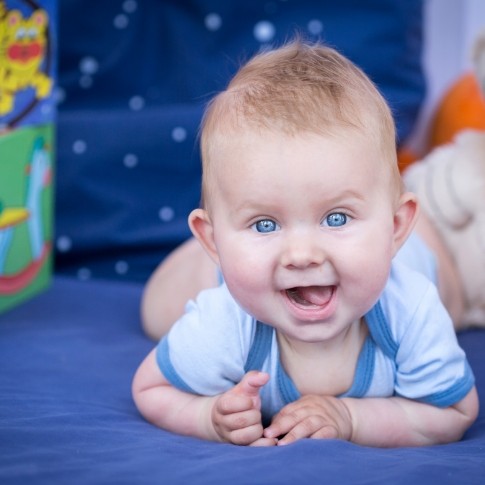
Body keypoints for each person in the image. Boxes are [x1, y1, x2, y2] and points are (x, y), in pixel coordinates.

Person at [132, 40, 479, 447]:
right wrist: (208, 417)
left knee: (456, 302)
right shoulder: (225, 324)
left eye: (336, 218)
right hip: (236, 270)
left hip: (419, 254)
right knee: (157, 310)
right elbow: (150, 389)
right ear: (211, 239)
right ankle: (214, 256)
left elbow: (454, 411)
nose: (302, 255)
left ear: (396, 225)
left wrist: (349, 418)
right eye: (265, 223)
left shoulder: (412, 310)